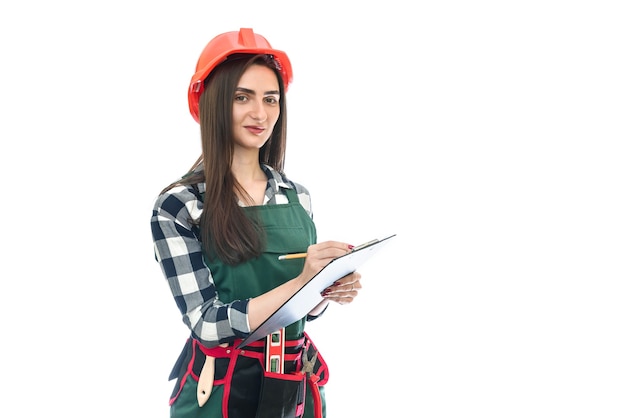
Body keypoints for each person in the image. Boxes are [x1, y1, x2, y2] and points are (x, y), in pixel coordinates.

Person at [150, 28, 363, 418]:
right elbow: (208, 323)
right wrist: (301, 283)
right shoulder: (179, 206)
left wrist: (326, 289)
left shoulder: (296, 195)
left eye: (270, 99)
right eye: (241, 97)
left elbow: (300, 309)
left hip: (291, 388)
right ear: (213, 103)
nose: (260, 113)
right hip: (220, 393)